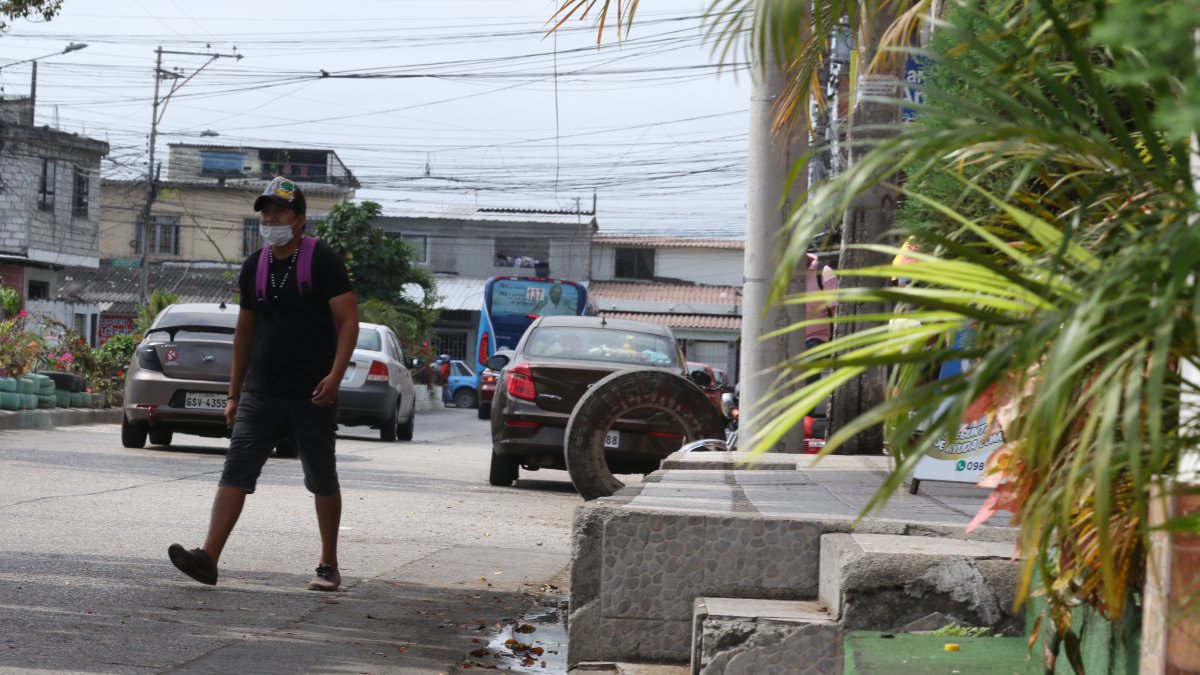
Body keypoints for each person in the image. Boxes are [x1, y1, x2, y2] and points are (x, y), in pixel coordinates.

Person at [167, 176, 359, 592]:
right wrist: (234, 393)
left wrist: (335, 376)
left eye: (280, 212)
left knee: (321, 478)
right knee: (236, 469)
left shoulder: (322, 261)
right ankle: (208, 558)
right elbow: (244, 333)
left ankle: (329, 564)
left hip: (313, 393)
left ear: (300, 219)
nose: (271, 220)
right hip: (262, 392)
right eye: (266, 213)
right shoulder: (255, 266)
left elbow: (349, 321)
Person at [805, 252, 838, 384]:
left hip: (818, 336)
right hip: (792, 338)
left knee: (808, 375)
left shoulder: (824, 273)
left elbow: (835, 310)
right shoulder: (785, 274)